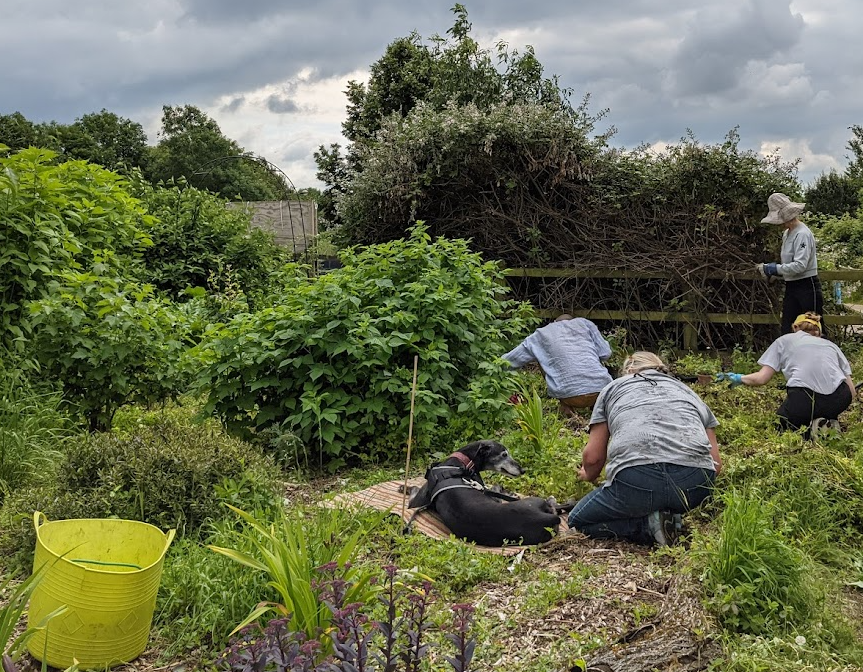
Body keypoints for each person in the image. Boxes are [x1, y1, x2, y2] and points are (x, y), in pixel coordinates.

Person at [568, 352, 721, 546]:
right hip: (695, 484)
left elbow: (593, 459)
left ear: (629, 370)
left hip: (637, 478)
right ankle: (669, 517)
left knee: (578, 521)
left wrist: (587, 475)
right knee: (664, 495)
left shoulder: (613, 388)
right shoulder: (688, 392)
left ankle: (647, 526)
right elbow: (716, 464)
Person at [717, 312, 854, 436]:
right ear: (819, 332)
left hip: (804, 399)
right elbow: (851, 391)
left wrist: (739, 377)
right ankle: (826, 422)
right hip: (840, 398)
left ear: (795, 327)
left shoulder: (784, 341)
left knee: (781, 425)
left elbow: (761, 378)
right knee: (820, 408)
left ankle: (809, 431)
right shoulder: (831, 345)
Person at [502, 315, 613, 414]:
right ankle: (595, 407)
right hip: (602, 390)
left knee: (541, 355)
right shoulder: (584, 323)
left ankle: (565, 407)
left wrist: (492, 366)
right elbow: (606, 353)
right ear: (573, 320)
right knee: (593, 355)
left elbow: (510, 360)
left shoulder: (541, 334)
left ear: (554, 323)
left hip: (569, 395)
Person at [756, 192, 824, 335]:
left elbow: (800, 266)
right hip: (792, 286)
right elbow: (789, 263)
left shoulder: (802, 234)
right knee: (788, 328)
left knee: (812, 329)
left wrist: (773, 269)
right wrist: (779, 274)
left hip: (807, 287)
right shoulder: (787, 233)